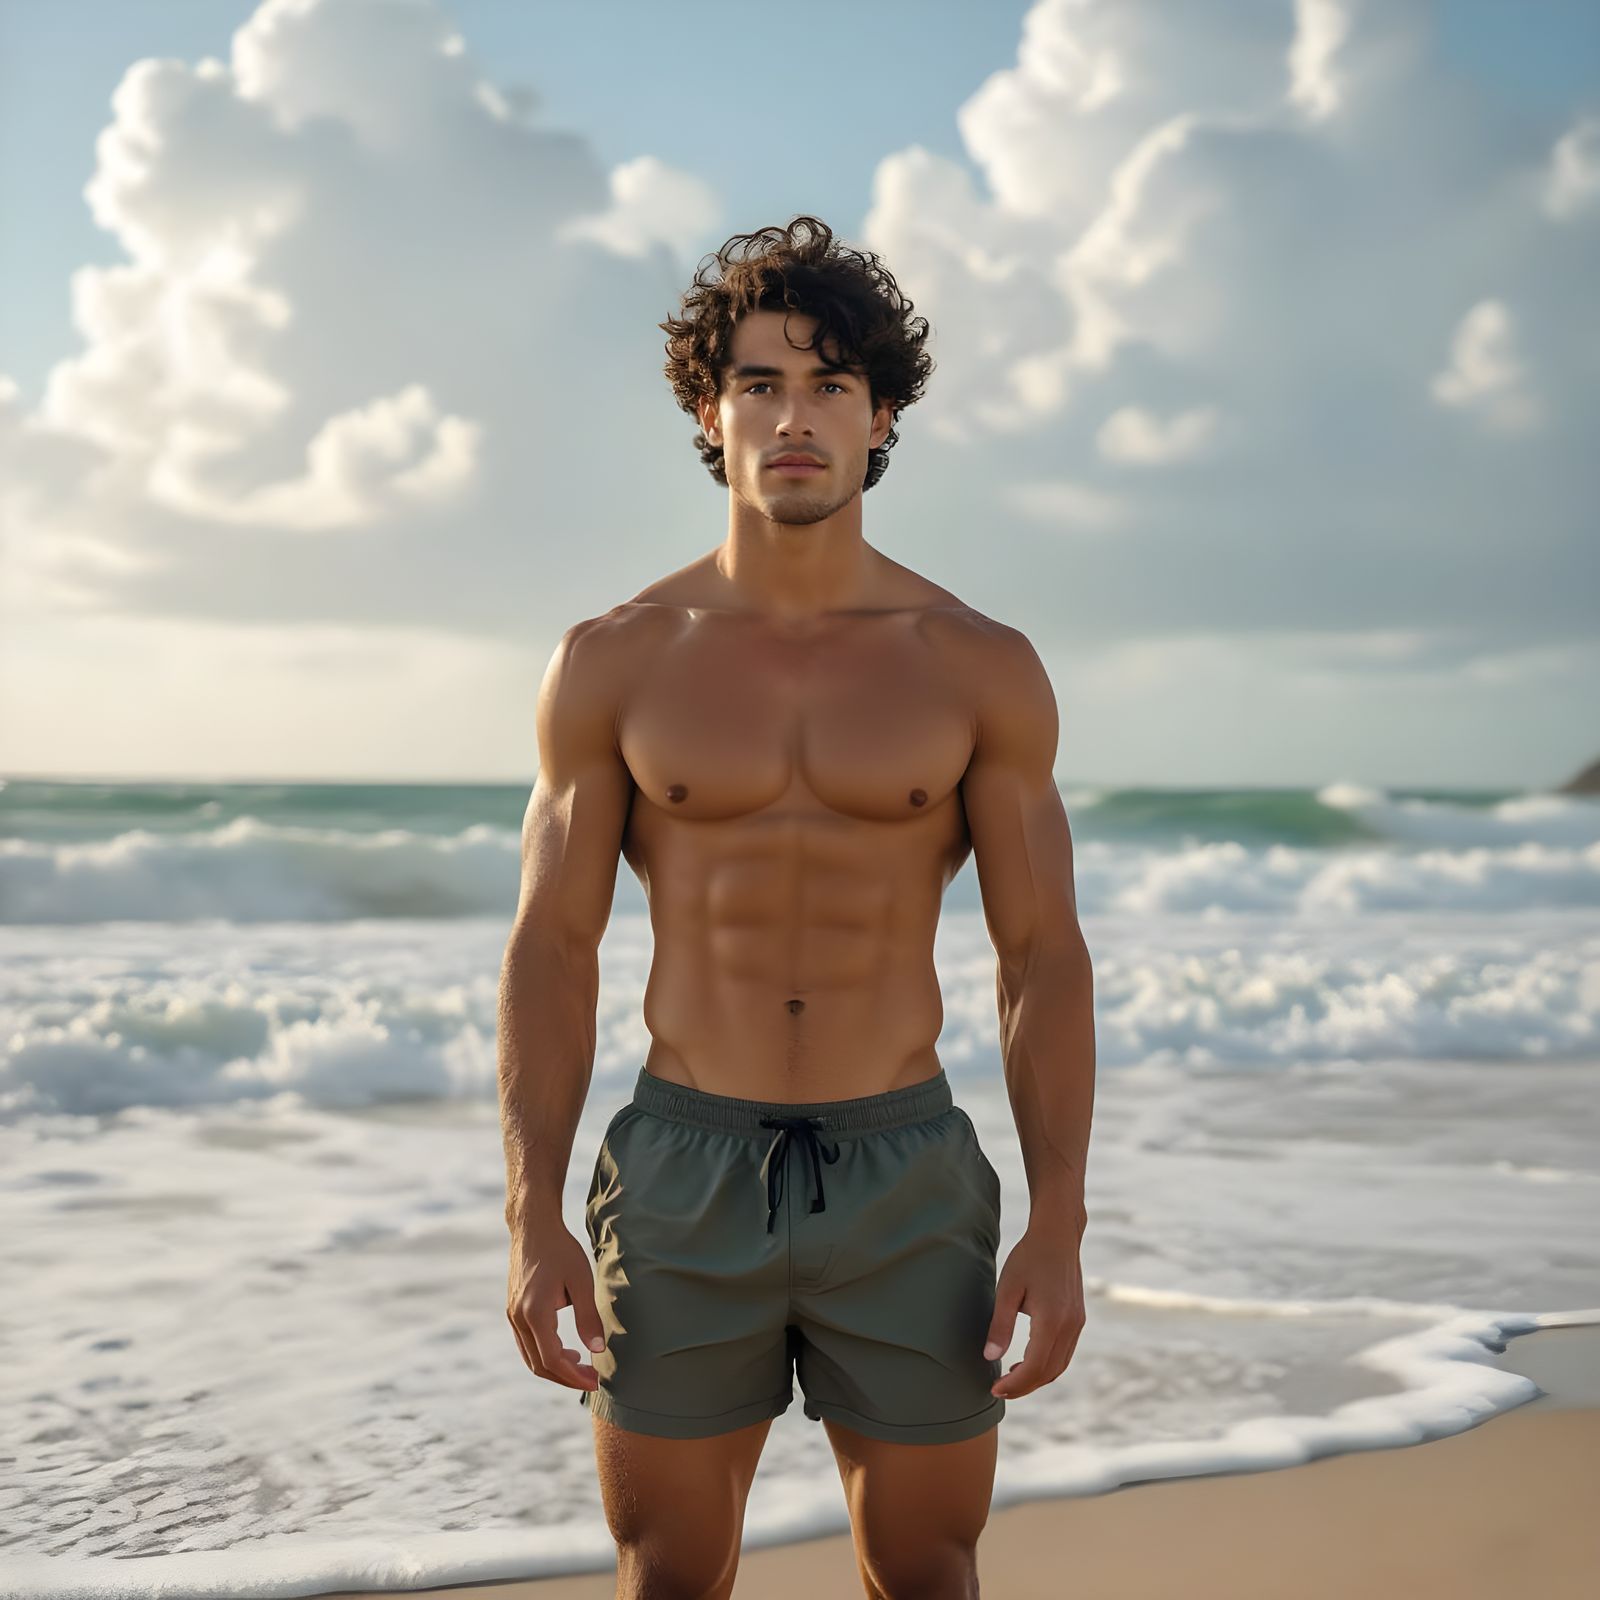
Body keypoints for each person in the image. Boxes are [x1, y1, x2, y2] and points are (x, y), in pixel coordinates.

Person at [498, 215, 1095, 1600]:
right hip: (678, 1172)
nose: (794, 418)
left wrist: (1058, 1223)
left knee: (929, 1568)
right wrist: (532, 1217)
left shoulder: (978, 666)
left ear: (884, 415)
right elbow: (553, 946)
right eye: (759, 383)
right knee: (669, 1573)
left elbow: (1041, 956)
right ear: (711, 414)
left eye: (831, 384)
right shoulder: (612, 663)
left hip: (905, 1173)